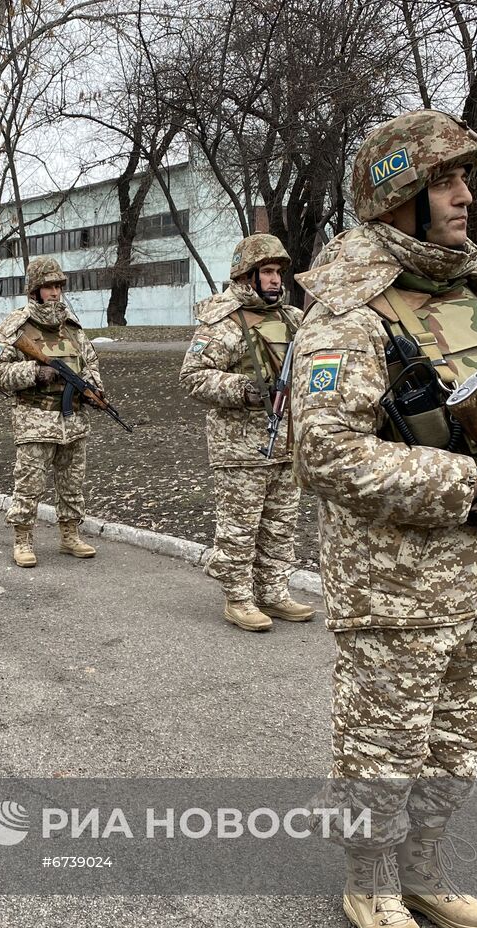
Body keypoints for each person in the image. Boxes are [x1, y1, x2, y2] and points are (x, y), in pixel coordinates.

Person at [290, 110, 477, 928]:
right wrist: (463, 486)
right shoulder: (348, 310)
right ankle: (369, 885)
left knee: (454, 739)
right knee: (383, 744)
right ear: (397, 195)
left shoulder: (474, 292)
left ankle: (424, 867)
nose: (464, 196)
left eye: (465, 180)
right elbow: (323, 452)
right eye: (444, 181)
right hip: (394, 585)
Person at [180, 234, 312, 632]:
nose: (275, 280)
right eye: (267, 272)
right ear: (247, 275)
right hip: (240, 446)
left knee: (280, 523)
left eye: (277, 273)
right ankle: (238, 596)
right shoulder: (224, 320)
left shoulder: (292, 319)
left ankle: (273, 590)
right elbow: (192, 376)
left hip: (287, 442)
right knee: (240, 526)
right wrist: (243, 390)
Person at [0, 256, 101, 567]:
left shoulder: (72, 327)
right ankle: (22, 538)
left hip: (73, 420)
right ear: (34, 290)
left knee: (72, 482)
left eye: (58, 286)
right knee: (29, 483)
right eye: (48, 286)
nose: (55, 292)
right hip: (35, 420)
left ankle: (69, 534)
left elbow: (90, 365)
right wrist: (34, 373)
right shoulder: (17, 326)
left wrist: (93, 389)